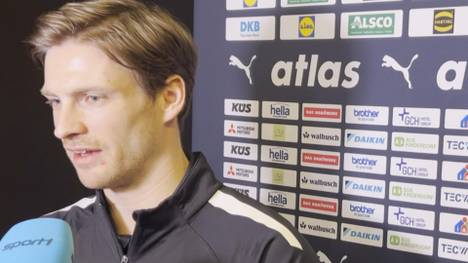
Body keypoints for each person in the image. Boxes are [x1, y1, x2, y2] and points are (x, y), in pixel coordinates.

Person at [28, 0, 320, 262]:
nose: (63, 128)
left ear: (170, 98)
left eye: (92, 98)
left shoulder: (265, 249)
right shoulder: (42, 239)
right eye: (55, 101)